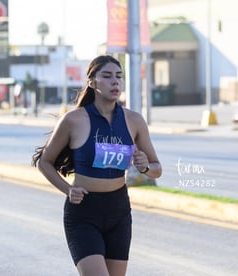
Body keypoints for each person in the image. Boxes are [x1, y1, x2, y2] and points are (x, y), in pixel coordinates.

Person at [32, 55, 162, 276]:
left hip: (118, 209)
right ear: (92, 82)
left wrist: (145, 167)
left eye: (119, 77)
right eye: (107, 76)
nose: (115, 82)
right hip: (84, 211)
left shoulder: (134, 121)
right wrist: (68, 189)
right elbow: (44, 161)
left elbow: (157, 168)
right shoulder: (73, 120)